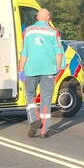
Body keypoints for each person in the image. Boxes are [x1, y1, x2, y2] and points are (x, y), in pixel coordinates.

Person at [18, 8, 63, 138]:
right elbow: (59, 52)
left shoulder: (28, 31)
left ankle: (34, 118)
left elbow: (24, 52)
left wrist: (21, 69)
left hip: (31, 69)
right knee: (46, 98)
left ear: (37, 17)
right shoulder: (54, 32)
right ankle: (44, 129)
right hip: (49, 69)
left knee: (30, 95)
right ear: (48, 17)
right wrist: (58, 68)